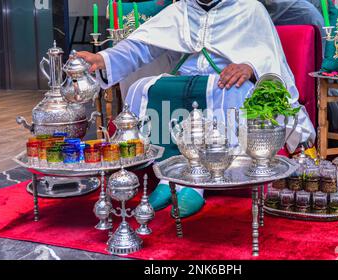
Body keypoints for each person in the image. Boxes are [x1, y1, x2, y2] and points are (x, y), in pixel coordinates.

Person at [77, 0, 316, 218]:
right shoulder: (180, 10)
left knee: (229, 92)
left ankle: (197, 183)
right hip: (186, 81)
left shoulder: (249, 8)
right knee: (147, 88)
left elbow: (268, 56)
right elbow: (141, 47)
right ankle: (167, 177)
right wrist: (103, 59)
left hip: (228, 83)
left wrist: (249, 66)